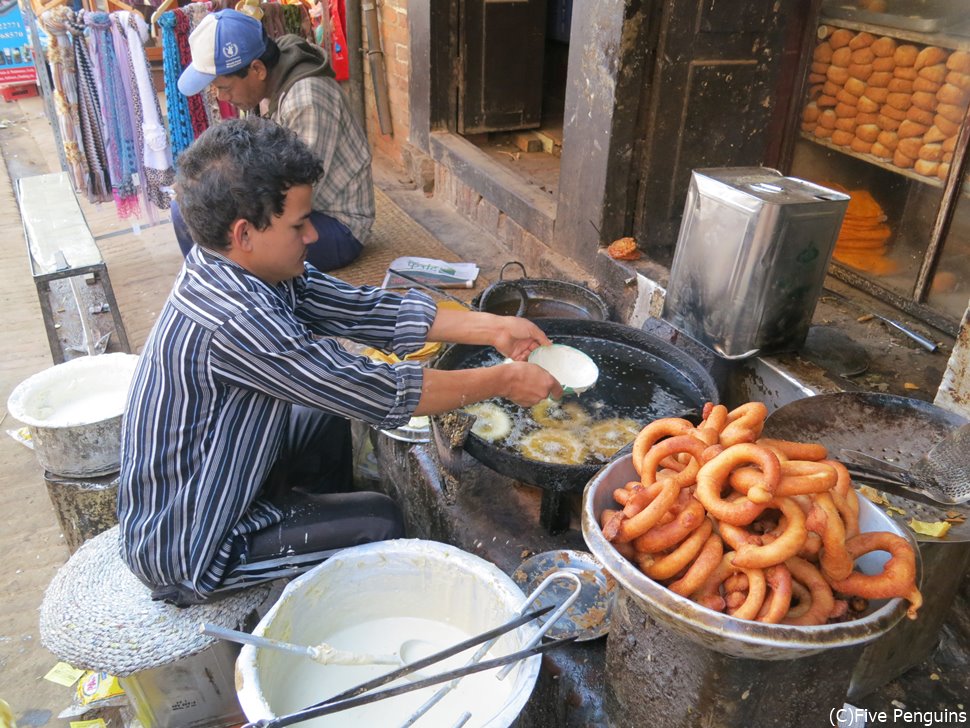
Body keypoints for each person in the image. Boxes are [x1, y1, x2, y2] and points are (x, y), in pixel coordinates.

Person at [118, 117, 562, 606]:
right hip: (192, 543)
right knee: (380, 520)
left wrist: (491, 326)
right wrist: (503, 380)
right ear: (244, 233)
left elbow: (362, 308)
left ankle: (309, 527)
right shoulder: (234, 318)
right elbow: (379, 390)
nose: (311, 235)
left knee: (323, 412)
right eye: (298, 224)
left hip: (228, 473)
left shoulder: (248, 268)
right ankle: (327, 580)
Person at [172, 8, 371, 272]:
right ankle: (223, 288)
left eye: (224, 87)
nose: (221, 96)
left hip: (335, 227)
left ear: (257, 69)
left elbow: (293, 192)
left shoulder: (306, 99)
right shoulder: (264, 85)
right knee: (187, 206)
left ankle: (232, 290)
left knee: (215, 225)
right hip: (294, 212)